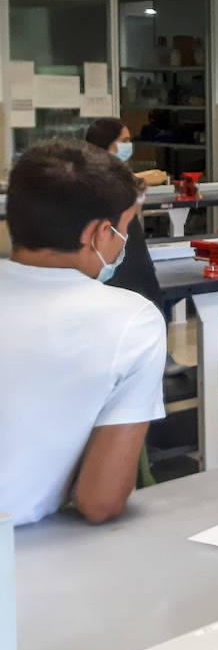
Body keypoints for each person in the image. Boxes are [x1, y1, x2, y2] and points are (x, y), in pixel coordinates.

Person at [0, 140, 167, 525]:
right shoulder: (132, 322)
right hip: (20, 553)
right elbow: (100, 502)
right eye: (124, 228)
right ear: (98, 233)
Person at [84, 118, 187, 377]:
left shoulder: (117, 173)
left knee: (149, 301)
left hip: (131, 246)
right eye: (124, 141)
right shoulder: (91, 175)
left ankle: (157, 357)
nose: (129, 145)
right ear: (107, 144)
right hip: (111, 252)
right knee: (121, 308)